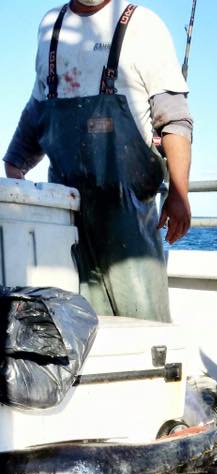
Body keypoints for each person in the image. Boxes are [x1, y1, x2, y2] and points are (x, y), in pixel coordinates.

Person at [3, 0, 192, 323]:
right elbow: (38, 107)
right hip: (66, 219)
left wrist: (179, 194)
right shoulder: (51, 26)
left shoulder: (144, 25)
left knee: (144, 325)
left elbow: (174, 119)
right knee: (71, 323)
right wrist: (15, 166)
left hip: (129, 216)